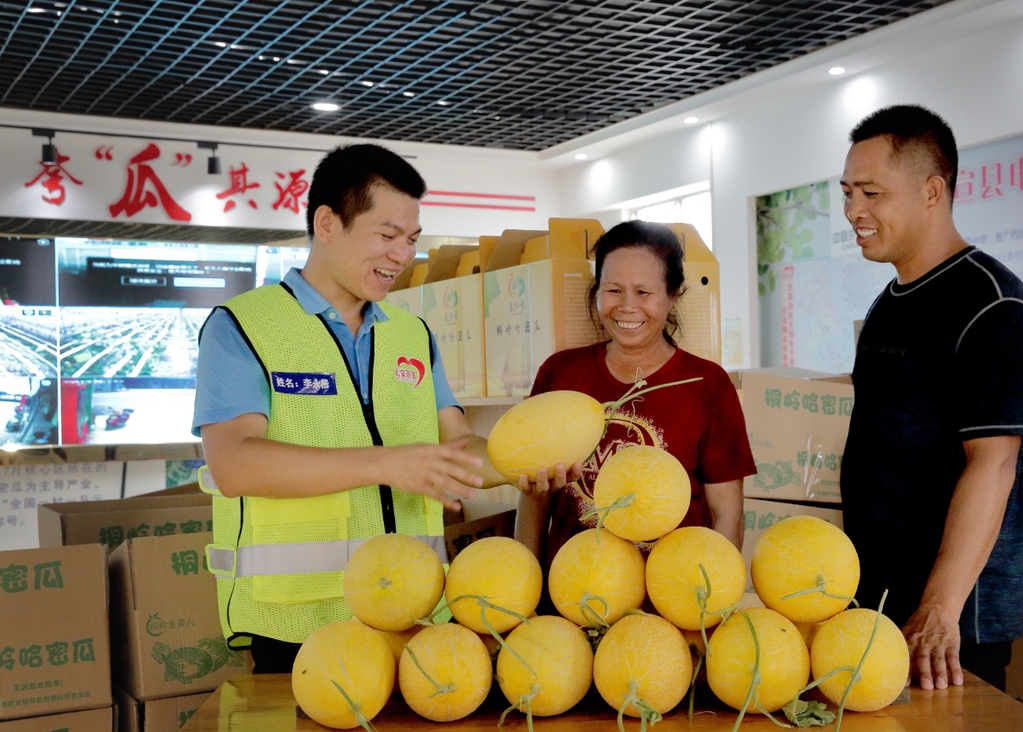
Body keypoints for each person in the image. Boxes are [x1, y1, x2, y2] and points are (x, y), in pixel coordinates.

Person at [192, 144, 568, 674]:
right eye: (387, 236)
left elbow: (457, 446)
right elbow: (234, 463)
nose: (401, 255)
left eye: (411, 240)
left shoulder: (411, 334)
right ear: (327, 223)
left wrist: (523, 463)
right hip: (300, 626)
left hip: (417, 612)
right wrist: (387, 463)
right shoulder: (242, 328)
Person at [838, 105, 1023, 693]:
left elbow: (993, 463)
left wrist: (938, 610)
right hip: (877, 602)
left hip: (952, 624)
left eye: (872, 193)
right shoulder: (889, 304)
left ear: (933, 191)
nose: (855, 211)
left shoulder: (994, 306)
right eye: (848, 193)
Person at [515, 221, 754, 572]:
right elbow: (536, 501)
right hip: (569, 599)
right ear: (597, 291)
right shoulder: (561, 374)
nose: (627, 306)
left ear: (672, 295)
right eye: (614, 290)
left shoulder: (708, 384)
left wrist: (708, 595)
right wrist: (524, 587)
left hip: (671, 605)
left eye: (644, 293)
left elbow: (727, 513)